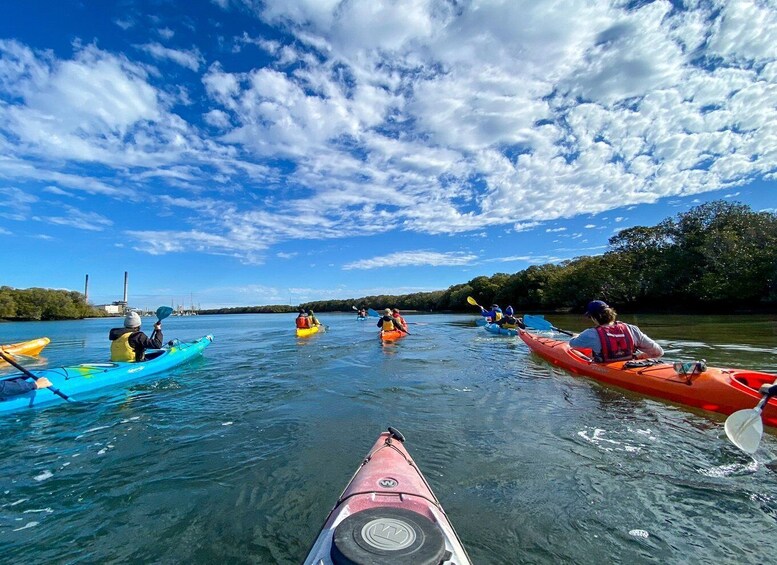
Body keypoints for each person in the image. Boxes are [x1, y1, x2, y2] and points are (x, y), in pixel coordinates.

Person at [569, 300, 663, 362]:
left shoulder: (590, 334)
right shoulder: (632, 329)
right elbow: (658, 352)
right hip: (631, 366)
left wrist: (577, 336)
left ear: (594, 317)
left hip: (608, 370)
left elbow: (572, 344)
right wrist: (640, 356)